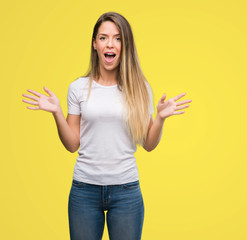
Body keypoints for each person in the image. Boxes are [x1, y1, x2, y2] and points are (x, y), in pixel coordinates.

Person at [22, 11, 192, 240]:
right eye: (103, 37)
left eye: (117, 38)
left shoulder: (140, 88)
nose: (110, 43)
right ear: (94, 44)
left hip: (126, 191)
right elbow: (72, 144)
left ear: (125, 44)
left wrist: (160, 118)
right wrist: (57, 113)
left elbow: (149, 144)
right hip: (84, 190)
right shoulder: (78, 88)